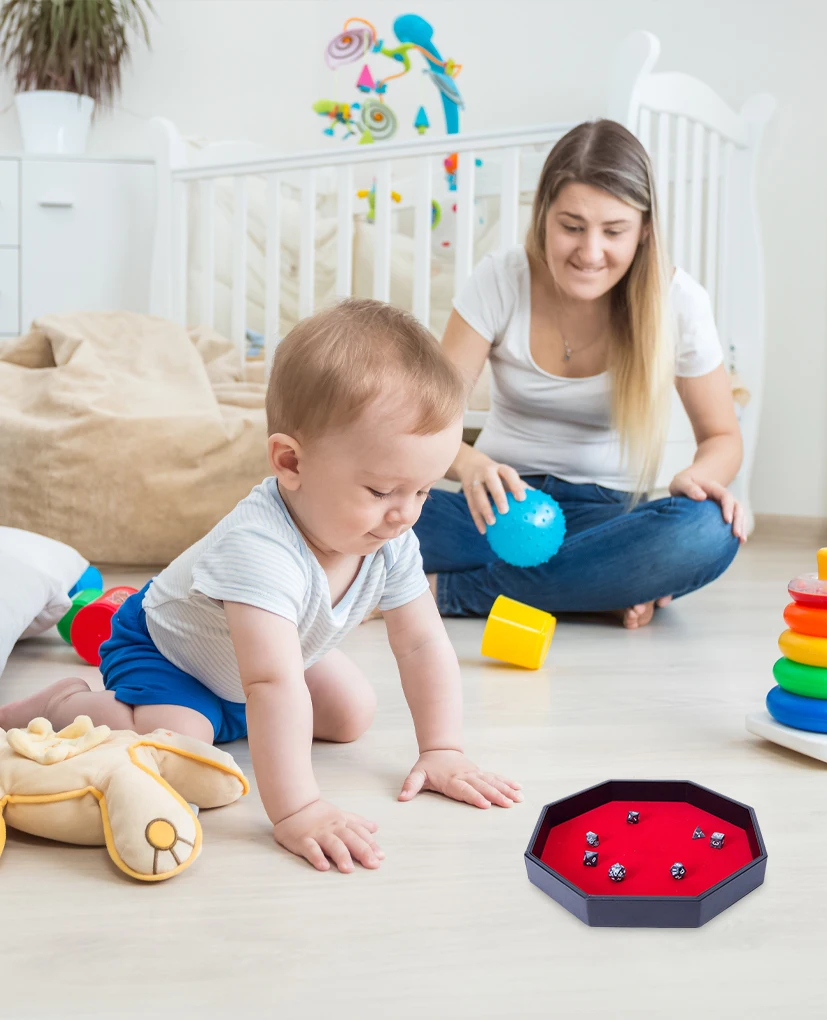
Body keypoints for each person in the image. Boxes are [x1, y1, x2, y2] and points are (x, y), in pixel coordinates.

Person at [0, 299, 521, 873]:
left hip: (268, 660)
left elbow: (423, 645)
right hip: (171, 655)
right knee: (179, 741)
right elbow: (272, 683)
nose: (405, 515)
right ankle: (69, 701)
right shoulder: (259, 548)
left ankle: (234, 717)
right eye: (381, 491)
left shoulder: (389, 537)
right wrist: (298, 808)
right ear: (290, 461)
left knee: (352, 713)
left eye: (422, 491)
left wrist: (442, 749)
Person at [414, 119, 746, 629]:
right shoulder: (501, 279)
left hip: (608, 520)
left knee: (708, 530)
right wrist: (471, 464)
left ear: (644, 231)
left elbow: (723, 436)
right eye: (571, 226)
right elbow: (426, 422)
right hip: (498, 509)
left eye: (614, 232)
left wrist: (698, 479)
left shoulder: (679, 302)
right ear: (544, 216)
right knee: (373, 512)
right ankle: (591, 589)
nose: (590, 253)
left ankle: (450, 592)